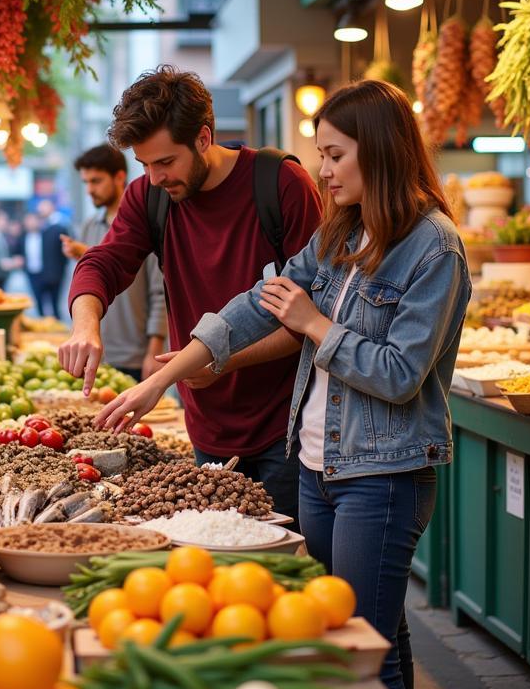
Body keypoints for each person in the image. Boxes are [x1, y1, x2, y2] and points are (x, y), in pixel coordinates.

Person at [94, 80, 472, 689]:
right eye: (320, 154)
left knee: (357, 649)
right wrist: (162, 380)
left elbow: (402, 375)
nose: (322, 171)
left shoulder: (434, 247)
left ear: (380, 151)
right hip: (316, 467)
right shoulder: (342, 235)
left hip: (380, 475)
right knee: (357, 632)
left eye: (335, 155)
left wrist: (315, 324)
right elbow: (251, 307)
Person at [59, 65, 322, 522]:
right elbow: (102, 262)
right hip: (205, 426)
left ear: (203, 138)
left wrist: (218, 359)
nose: (154, 177)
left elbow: (312, 317)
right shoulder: (149, 197)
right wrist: (86, 324)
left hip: (290, 428)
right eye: (144, 165)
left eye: (165, 162)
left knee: (283, 575)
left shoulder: (281, 185)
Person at [62, 144, 167, 381]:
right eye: (86, 182)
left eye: (96, 181)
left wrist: (154, 351)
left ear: (120, 177)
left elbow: (159, 292)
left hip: (136, 355)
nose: (89, 190)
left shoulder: (145, 224)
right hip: (99, 353)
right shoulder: (89, 225)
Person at [33, 200, 69, 318]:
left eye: (43, 208)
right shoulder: (43, 226)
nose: (40, 211)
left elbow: (64, 252)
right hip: (43, 271)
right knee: (42, 303)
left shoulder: (59, 225)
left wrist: (59, 270)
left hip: (55, 272)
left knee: (55, 303)